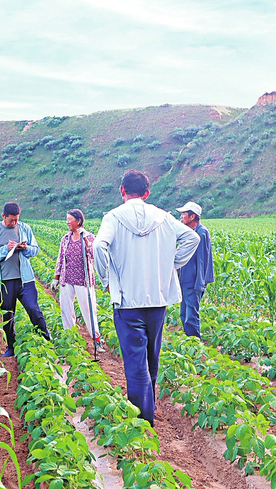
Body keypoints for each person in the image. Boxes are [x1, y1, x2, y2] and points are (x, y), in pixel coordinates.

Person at [94, 170, 200, 425]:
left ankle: (143, 419)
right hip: (158, 300)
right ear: (147, 193)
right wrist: (171, 265)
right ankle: (147, 410)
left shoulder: (113, 217)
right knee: (152, 357)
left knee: (135, 363)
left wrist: (106, 281)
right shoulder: (163, 217)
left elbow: (98, 246)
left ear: (122, 191)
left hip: (128, 302)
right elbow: (192, 237)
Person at [0, 202, 52, 358]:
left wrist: (25, 248)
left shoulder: (24, 228)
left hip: (25, 279)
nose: (14, 223)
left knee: (33, 309)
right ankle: (11, 347)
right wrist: (5, 249)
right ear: (3, 216)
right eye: (11, 220)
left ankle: (46, 340)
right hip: (4, 282)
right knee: (8, 315)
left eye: (16, 219)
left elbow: (35, 250)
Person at [50, 209, 104, 352]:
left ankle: (97, 340)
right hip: (66, 279)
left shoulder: (89, 237)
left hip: (83, 280)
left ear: (78, 221)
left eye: (70, 219)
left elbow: (93, 255)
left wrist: (86, 240)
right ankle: (71, 339)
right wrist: (56, 278)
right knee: (66, 310)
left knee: (88, 310)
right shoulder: (65, 239)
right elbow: (60, 259)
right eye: (66, 219)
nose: (67, 222)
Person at [175, 201, 215, 338]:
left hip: (194, 281)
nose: (181, 217)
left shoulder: (201, 233)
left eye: (183, 214)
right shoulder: (188, 232)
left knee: (191, 316)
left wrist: (200, 283)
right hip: (185, 280)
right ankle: (188, 342)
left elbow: (203, 260)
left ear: (192, 217)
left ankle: (195, 345)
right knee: (184, 314)